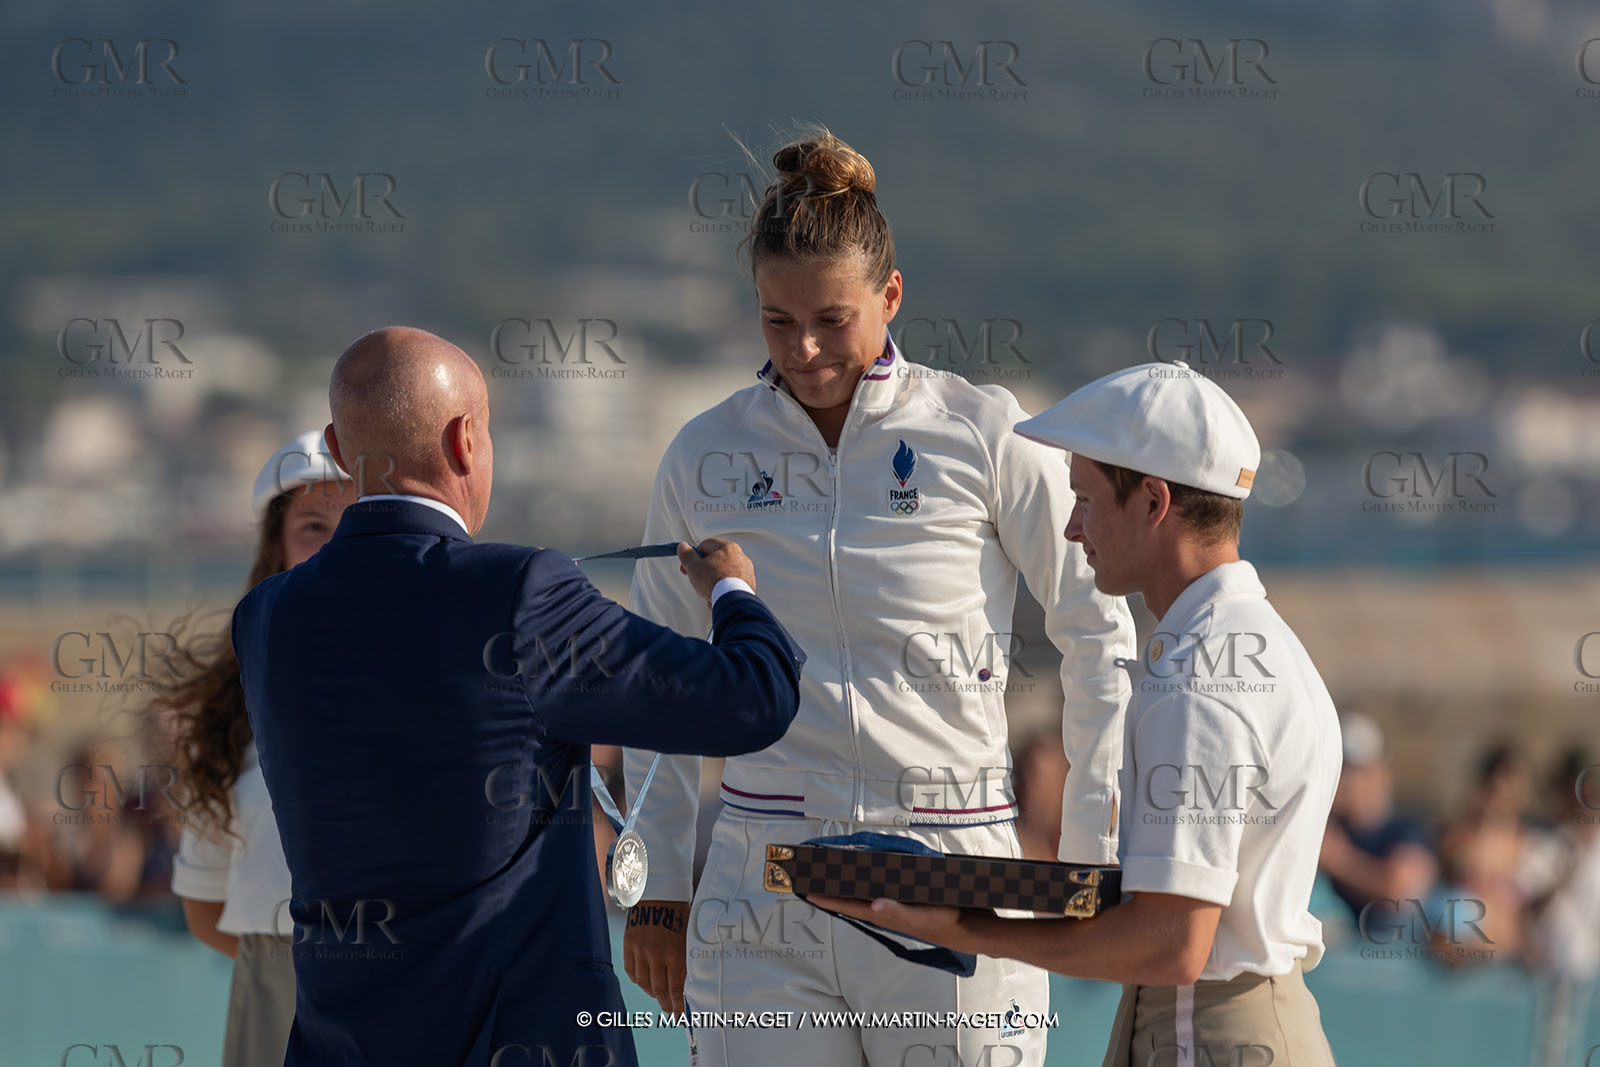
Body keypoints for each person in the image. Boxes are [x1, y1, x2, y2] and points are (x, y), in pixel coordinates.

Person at [620, 130, 1134, 1067]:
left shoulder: (983, 429)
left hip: (954, 868)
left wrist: (1091, 849)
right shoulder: (703, 453)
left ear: (891, 297)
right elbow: (658, 680)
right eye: (778, 321)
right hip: (763, 879)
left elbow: (1098, 624)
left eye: (832, 317)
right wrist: (656, 893)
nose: (806, 348)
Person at [232, 326, 806, 1067]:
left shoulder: (266, 618)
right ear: (466, 440)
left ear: (341, 451)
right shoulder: (519, 591)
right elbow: (752, 697)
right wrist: (732, 590)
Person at [818, 361, 1342, 1067]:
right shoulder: (1258, 646)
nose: (1070, 526)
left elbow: (1173, 941)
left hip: (1207, 1032)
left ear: (1154, 502)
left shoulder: (1201, 676)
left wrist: (964, 927)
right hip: (1226, 1021)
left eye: (1087, 499)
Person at [155, 432, 355, 1067]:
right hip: (274, 991)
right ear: (275, 546)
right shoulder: (232, 713)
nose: (333, 547)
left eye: (355, 524)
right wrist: (288, 971)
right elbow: (204, 908)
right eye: (313, 526)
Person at [1318, 712, 1437, 920]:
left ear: (1383, 770)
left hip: (1385, 947)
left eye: (1358, 770)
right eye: (1342, 768)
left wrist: (1337, 859)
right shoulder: (1323, 825)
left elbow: (1401, 892)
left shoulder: (1408, 829)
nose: (1347, 780)